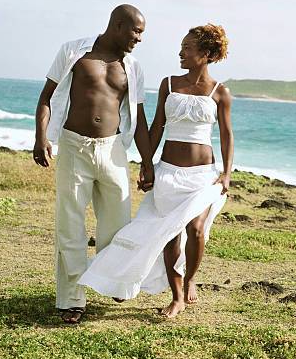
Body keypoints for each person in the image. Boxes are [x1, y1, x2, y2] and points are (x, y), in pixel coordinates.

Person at [79, 23, 233, 318]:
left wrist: (226, 173)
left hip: (203, 176)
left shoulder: (220, 92)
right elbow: (156, 127)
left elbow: (227, 135)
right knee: (169, 234)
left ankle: (189, 280)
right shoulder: (169, 84)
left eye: (187, 48)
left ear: (206, 53)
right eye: (181, 47)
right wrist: (147, 164)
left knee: (196, 230)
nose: (180, 53)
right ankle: (176, 296)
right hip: (169, 172)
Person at [33, 4, 154, 324]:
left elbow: (139, 117)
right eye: (136, 31)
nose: (140, 38)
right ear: (117, 25)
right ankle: (72, 298)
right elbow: (46, 96)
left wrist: (146, 161)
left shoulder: (134, 67)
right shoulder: (74, 51)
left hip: (113, 150)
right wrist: (40, 136)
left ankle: (111, 277)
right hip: (74, 147)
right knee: (69, 226)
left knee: (117, 224)